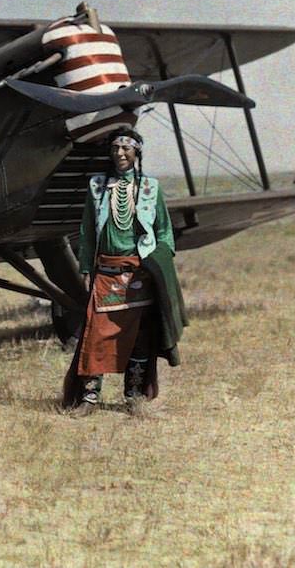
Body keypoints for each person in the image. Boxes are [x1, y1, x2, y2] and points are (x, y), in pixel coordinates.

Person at [62, 128, 187, 415]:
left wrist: (159, 262)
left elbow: (164, 231)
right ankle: (89, 399)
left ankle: (134, 397)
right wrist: (84, 268)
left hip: (139, 274)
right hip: (105, 272)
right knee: (96, 335)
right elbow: (86, 231)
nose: (119, 153)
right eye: (115, 148)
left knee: (140, 338)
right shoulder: (96, 187)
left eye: (126, 148)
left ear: (137, 152)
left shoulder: (150, 189)